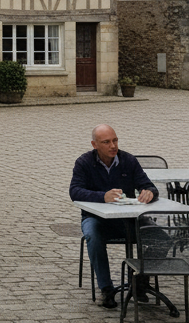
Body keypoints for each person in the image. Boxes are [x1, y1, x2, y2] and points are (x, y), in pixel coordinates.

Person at [68, 124, 159, 308]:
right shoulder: (84, 162)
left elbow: (148, 185)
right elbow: (75, 191)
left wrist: (149, 192)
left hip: (128, 218)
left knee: (161, 237)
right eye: (106, 142)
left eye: (115, 140)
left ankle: (140, 282)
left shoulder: (128, 160)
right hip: (96, 218)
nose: (113, 146)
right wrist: (102, 196)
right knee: (93, 235)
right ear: (94, 145)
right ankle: (107, 289)